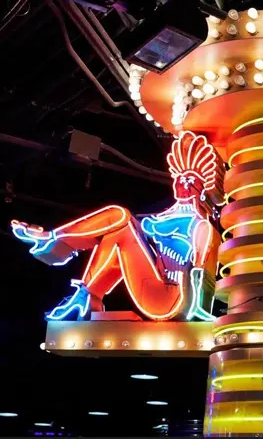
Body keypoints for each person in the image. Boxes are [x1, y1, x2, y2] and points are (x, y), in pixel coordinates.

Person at [11, 131, 223, 322]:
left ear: (201, 189)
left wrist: (198, 311)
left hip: (171, 298)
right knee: (117, 231)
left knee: (121, 217)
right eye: (179, 179)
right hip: (151, 285)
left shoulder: (200, 225)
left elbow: (200, 272)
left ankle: (55, 242)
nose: (183, 184)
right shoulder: (158, 218)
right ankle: (86, 294)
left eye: (190, 180)